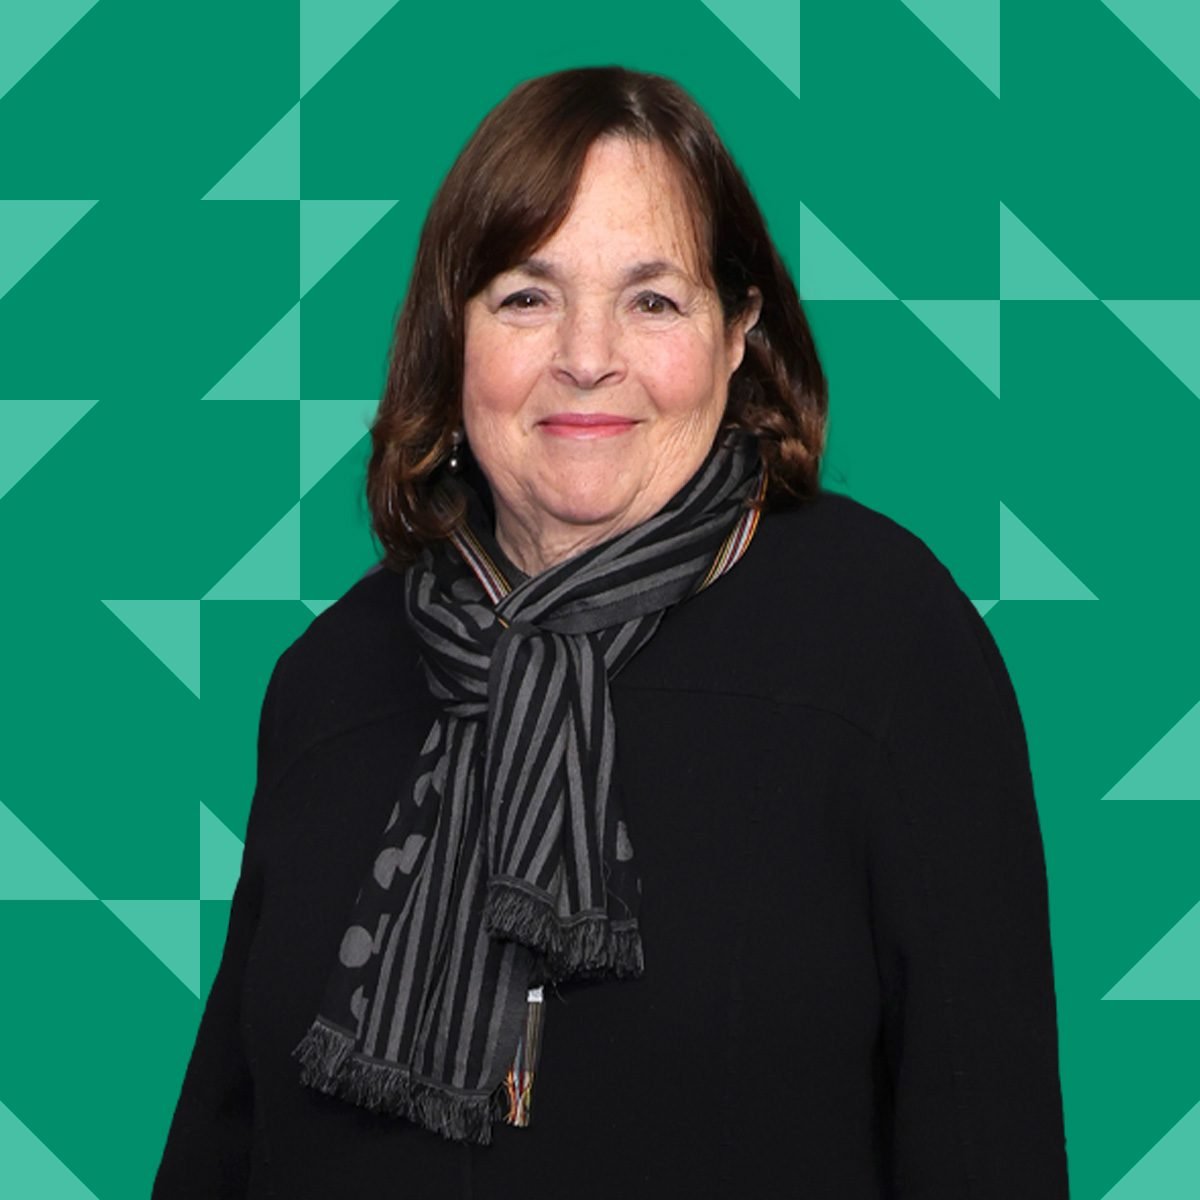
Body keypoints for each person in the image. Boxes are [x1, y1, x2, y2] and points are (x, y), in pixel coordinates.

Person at [152, 65, 1070, 1198]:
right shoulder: (332, 675)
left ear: (738, 335)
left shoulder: (887, 643)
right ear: (452, 336)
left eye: (653, 301)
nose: (587, 356)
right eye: (525, 298)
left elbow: (987, 1144)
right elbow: (226, 1147)